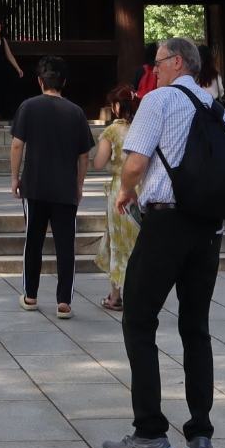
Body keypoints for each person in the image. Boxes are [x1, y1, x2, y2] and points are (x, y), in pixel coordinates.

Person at [101, 37, 221, 448]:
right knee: (196, 327)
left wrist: (127, 191)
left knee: (138, 316)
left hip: (167, 222)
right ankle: (201, 433)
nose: (152, 71)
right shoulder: (214, 106)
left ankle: (150, 431)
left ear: (176, 62)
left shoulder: (158, 100)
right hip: (209, 227)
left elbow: (134, 163)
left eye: (157, 63)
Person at [10, 57, 96, 318]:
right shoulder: (76, 112)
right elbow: (84, 156)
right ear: (64, 82)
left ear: (39, 81)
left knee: (33, 241)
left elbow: (17, 145)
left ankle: (31, 295)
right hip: (65, 188)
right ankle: (64, 302)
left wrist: (15, 177)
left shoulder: (28, 107)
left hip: (34, 185)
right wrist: (79, 185)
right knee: (65, 244)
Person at [92, 87, 140, 309]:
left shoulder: (112, 131)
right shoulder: (143, 128)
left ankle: (115, 295)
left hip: (120, 188)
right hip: (142, 188)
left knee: (117, 240)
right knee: (139, 241)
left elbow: (99, 163)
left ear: (118, 106)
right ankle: (139, 293)